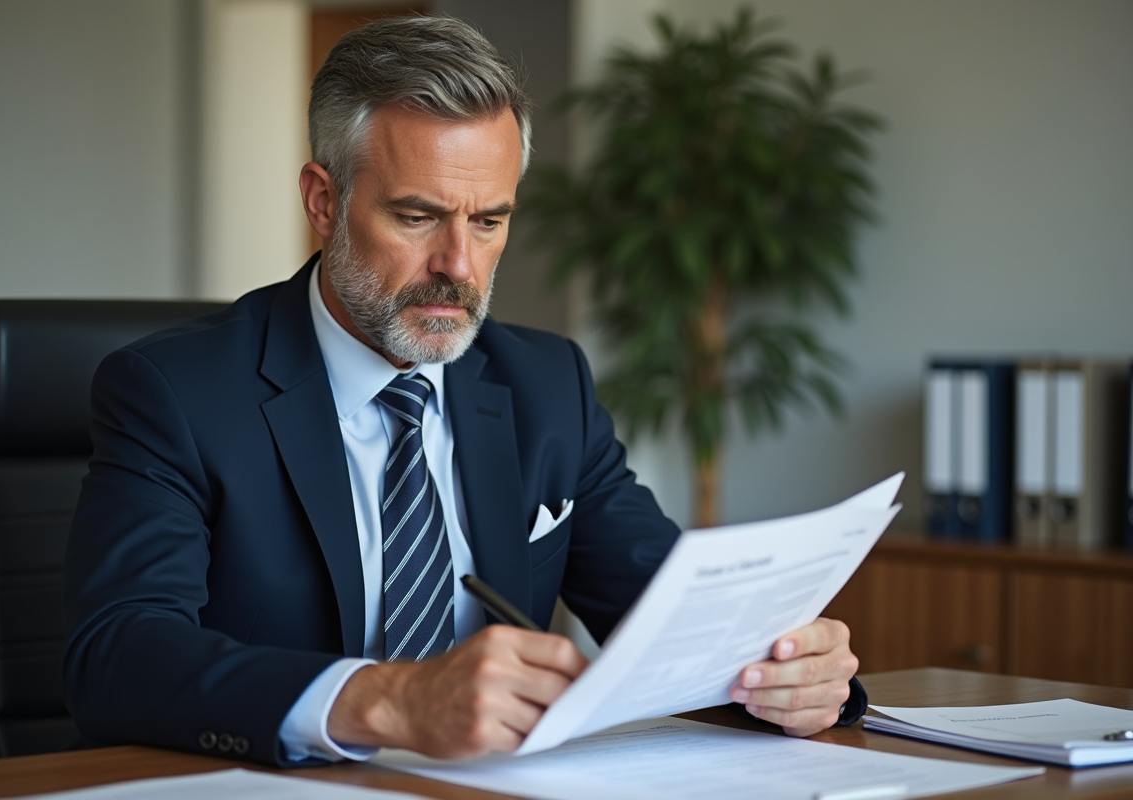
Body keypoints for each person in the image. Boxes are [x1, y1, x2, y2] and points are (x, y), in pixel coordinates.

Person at [62, 15, 864, 768]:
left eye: (489, 222)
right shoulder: (174, 392)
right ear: (323, 201)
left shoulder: (550, 386)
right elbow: (117, 654)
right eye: (417, 217)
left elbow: (669, 623)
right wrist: (386, 700)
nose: (458, 264)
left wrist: (790, 675)